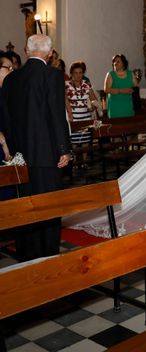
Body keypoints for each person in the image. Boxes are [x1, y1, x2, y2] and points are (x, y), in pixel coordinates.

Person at [2, 34, 71, 261]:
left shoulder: (11, 79)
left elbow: (6, 117)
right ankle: (48, 255)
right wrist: (63, 148)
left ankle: (27, 254)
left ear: (26, 50)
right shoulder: (52, 75)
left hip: (21, 156)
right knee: (49, 206)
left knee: (26, 205)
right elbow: (56, 114)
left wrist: (11, 150)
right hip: (47, 155)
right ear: (50, 54)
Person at [65, 61, 100, 148]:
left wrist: (92, 107)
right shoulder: (66, 85)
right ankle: (76, 161)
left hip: (85, 118)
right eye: (75, 73)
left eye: (80, 73)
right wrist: (69, 113)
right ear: (71, 73)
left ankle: (85, 161)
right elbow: (63, 101)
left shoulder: (86, 85)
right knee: (73, 143)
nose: (78, 75)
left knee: (85, 142)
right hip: (73, 118)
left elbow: (95, 100)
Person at [104, 53, 137, 118]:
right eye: (114, 61)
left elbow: (136, 88)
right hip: (115, 108)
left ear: (123, 63)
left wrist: (132, 90)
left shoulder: (131, 74)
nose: (115, 63)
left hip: (128, 106)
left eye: (118, 61)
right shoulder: (110, 74)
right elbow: (106, 89)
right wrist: (121, 90)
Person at [0, 53, 15, 199]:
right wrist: (3, 142)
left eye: (13, 68)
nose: (11, 71)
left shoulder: (5, 91)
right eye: (7, 68)